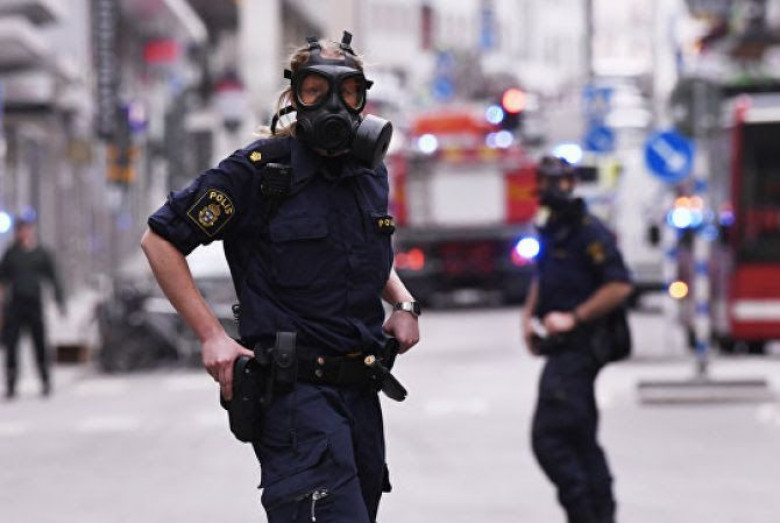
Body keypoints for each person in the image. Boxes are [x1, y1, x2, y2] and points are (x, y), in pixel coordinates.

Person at [141, 32, 420, 523]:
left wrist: (402, 301)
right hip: (296, 401)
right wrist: (212, 336)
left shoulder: (369, 172)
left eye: (348, 92)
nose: (333, 105)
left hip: (361, 396)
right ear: (294, 97)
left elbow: (362, 248)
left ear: (363, 98)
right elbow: (160, 241)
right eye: (316, 90)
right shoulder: (258, 172)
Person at [521, 156, 633, 523]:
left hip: (582, 347)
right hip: (561, 348)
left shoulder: (589, 230)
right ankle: (600, 515)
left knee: (550, 438)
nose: (553, 189)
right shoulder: (553, 226)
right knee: (580, 439)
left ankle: (586, 514)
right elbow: (543, 274)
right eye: (547, 181)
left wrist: (574, 317)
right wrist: (529, 319)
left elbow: (619, 285)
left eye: (560, 181)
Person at [0, 215, 65, 399]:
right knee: (12, 345)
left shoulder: (40, 254)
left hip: (34, 303)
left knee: (40, 343)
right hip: (15, 305)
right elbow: (2, 277)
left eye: (26, 230)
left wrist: (60, 300)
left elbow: (53, 277)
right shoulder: (11, 254)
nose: (24, 233)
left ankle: (45, 380)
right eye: (21, 230)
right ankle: (11, 383)